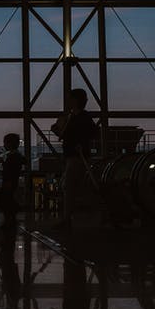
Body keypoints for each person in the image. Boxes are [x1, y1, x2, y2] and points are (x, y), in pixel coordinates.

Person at [52, 89, 97, 228]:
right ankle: (74, 217)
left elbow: (70, 135)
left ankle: (67, 219)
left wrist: (59, 130)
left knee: (69, 187)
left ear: (75, 100)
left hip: (75, 156)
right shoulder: (81, 117)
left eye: (70, 99)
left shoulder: (76, 117)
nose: (67, 102)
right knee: (75, 186)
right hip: (77, 156)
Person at [0, 132, 24, 217]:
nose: (4, 145)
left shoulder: (11, 156)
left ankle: (12, 212)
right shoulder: (16, 155)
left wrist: (2, 161)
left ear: (9, 144)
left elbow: (9, 169)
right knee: (7, 197)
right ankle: (12, 213)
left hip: (8, 181)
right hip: (12, 181)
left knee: (4, 198)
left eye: (5, 143)